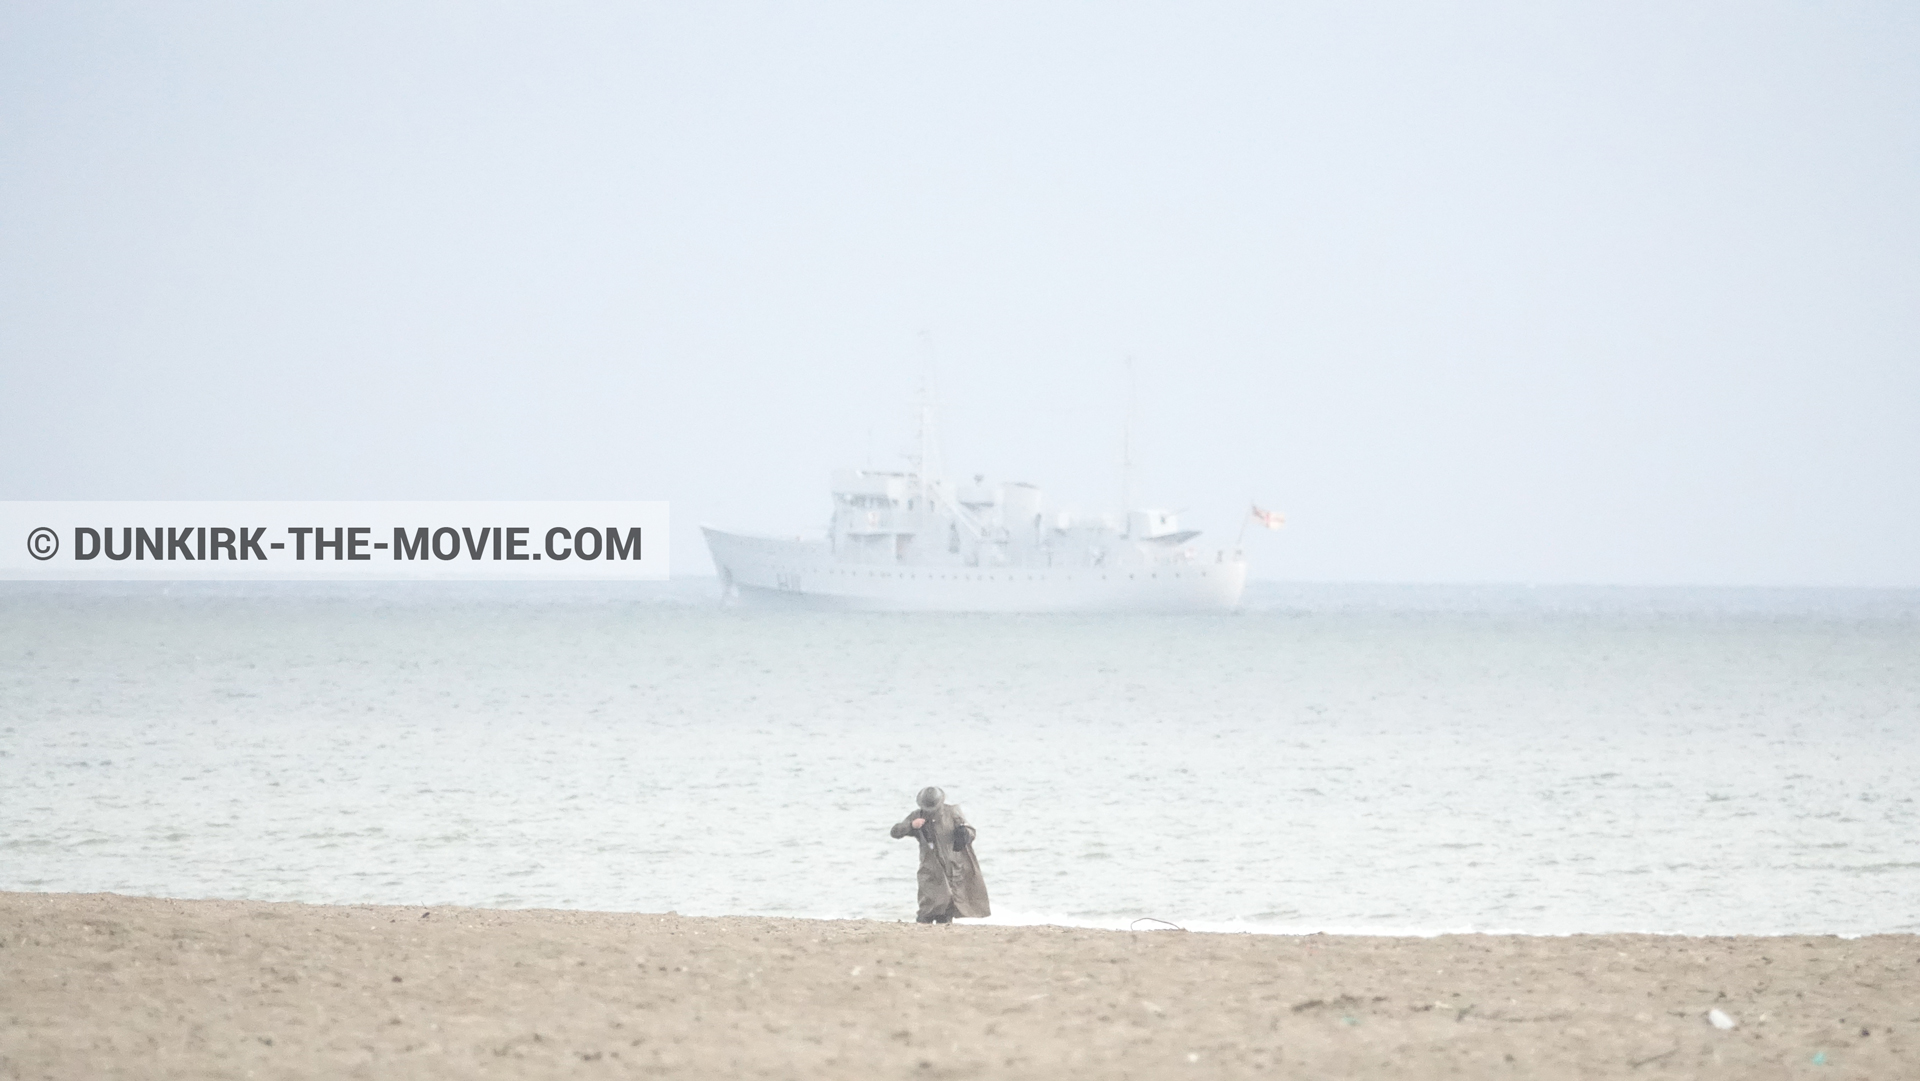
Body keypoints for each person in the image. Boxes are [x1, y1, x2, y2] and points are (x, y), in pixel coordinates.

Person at [889, 786, 990, 924]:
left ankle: (945, 928)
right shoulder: (917, 816)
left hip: (952, 866)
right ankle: (923, 927)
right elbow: (895, 832)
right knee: (928, 903)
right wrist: (911, 826)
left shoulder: (952, 813)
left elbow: (971, 831)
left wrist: (964, 833)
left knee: (949, 903)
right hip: (929, 867)